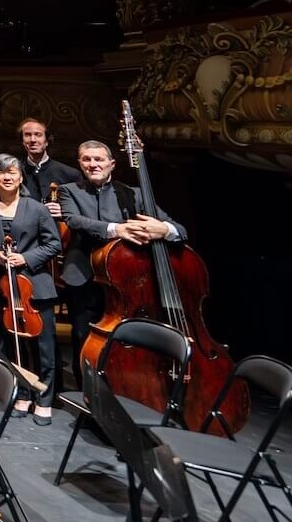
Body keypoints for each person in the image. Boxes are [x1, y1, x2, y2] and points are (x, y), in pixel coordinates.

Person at [49, 139, 188, 385]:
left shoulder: (132, 194)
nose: (93, 164)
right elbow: (75, 220)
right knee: (84, 335)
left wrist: (164, 229)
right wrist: (117, 229)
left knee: (124, 340)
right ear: (80, 164)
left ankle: (122, 387)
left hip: (126, 281)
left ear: (111, 164)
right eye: (87, 160)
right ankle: (87, 393)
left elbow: (179, 229)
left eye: (99, 159)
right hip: (86, 274)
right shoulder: (69, 191)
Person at [0, 153, 62, 424]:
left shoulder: (36, 208)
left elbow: (53, 244)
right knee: (11, 343)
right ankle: (22, 391)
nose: (7, 177)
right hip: (0, 285)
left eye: (13, 172)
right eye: (1, 172)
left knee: (43, 346)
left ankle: (44, 397)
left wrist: (26, 258)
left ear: (21, 177)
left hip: (34, 285)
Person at [18, 117, 81, 203]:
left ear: (47, 141)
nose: (32, 140)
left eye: (38, 135)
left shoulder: (70, 174)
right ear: (22, 142)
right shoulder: (16, 173)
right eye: (27, 135)